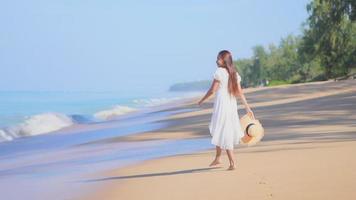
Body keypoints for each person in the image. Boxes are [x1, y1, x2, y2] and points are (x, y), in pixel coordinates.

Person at [198, 50, 254, 170]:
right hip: (231, 106)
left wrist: (202, 100)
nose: (216, 61)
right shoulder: (234, 74)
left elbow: (213, 90)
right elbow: (239, 92)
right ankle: (218, 158)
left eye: (218, 58)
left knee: (224, 131)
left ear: (224, 61)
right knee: (221, 130)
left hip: (222, 106)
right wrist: (247, 107)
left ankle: (232, 162)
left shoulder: (219, 72)